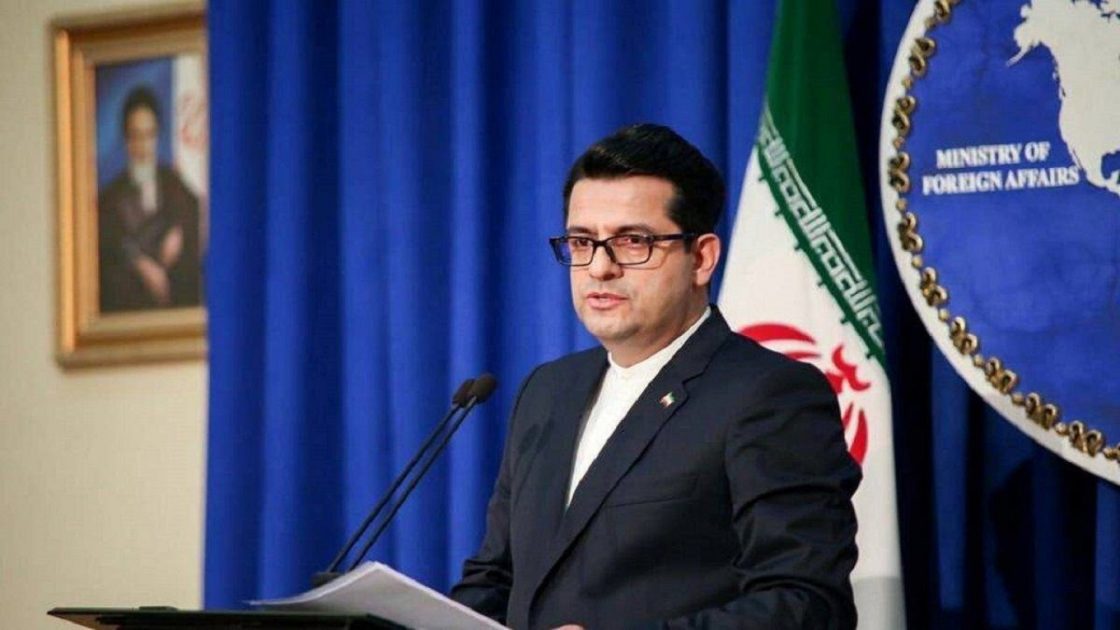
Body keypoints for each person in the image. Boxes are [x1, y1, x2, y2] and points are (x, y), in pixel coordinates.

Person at [449, 124, 861, 629]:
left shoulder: (768, 395)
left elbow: (806, 604)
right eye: (582, 241)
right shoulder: (547, 390)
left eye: (632, 242)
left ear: (702, 258)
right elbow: (495, 579)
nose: (599, 268)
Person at [98, 86, 202, 312]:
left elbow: (195, 215)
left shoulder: (173, 183)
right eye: (136, 136)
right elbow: (109, 252)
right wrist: (140, 264)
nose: (143, 147)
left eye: (149, 135)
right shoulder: (109, 199)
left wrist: (179, 231)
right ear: (126, 140)